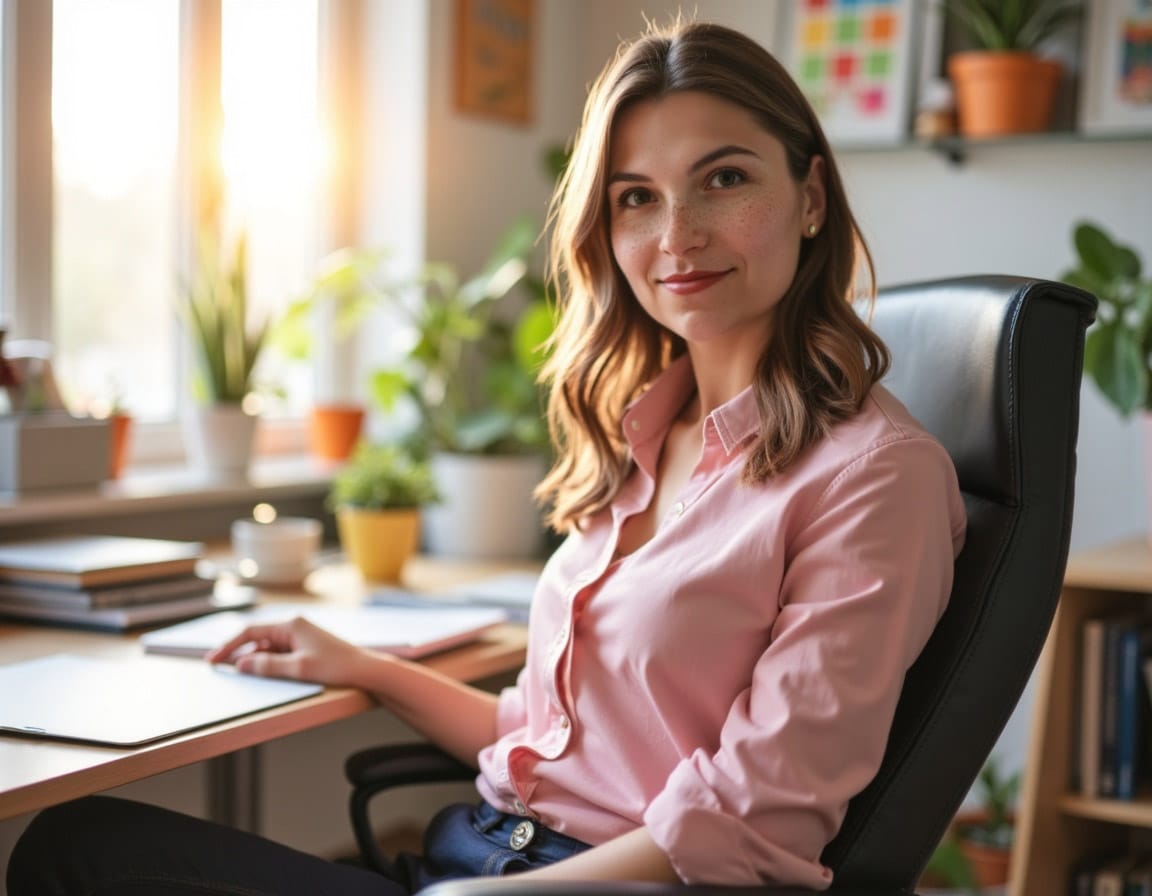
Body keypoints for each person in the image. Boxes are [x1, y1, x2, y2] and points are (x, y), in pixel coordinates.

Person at [7, 17, 965, 895]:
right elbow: (550, 739)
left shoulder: (874, 476)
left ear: (809, 199)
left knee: (80, 856)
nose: (677, 236)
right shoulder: (644, 435)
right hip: (488, 856)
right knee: (71, 838)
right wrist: (368, 668)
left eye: (725, 178)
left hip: (579, 885)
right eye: (637, 197)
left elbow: (755, 814)